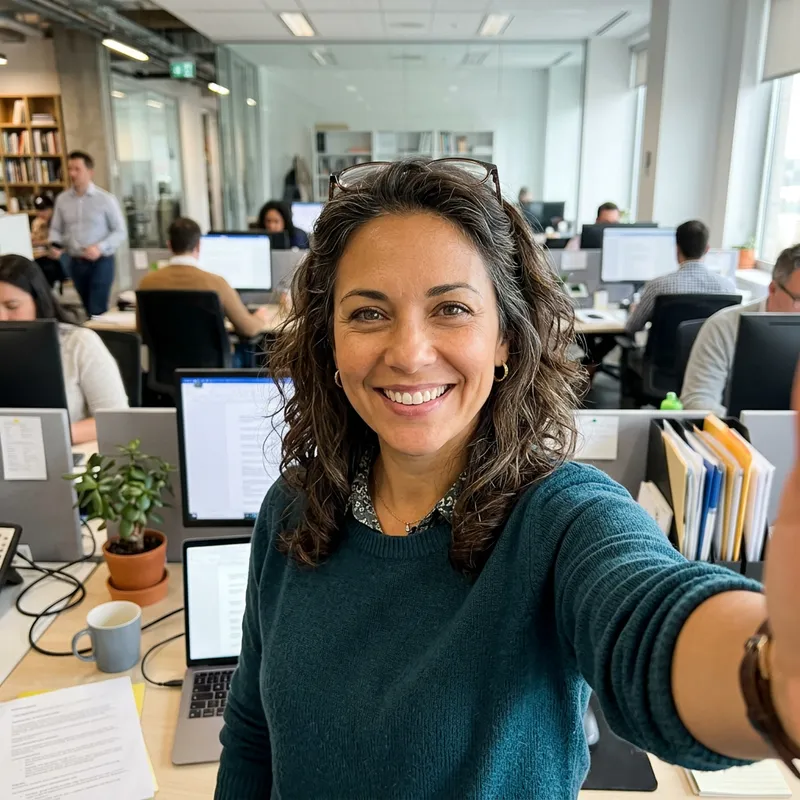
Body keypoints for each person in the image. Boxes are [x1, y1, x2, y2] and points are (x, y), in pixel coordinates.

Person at [215, 160, 800, 798]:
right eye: (368, 314)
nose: (409, 352)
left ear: (505, 339)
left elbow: (646, 621)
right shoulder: (292, 510)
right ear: (330, 340)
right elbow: (251, 731)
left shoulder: (563, 518)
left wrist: (773, 675)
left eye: (452, 309)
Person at [0, 254, 128, 444]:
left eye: (12, 306)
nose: (2, 317)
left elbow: (116, 419)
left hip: (66, 455)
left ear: (38, 301)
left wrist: (45, 437)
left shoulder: (78, 344)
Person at [682, 243, 800, 414]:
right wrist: (744, 426)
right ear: (773, 289)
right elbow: (697, 401)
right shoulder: (724, 326)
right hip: (736, 436)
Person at [137, 217, 272, 339]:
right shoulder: (216, 283)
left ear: (169, 245)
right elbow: (247, 329)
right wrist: (259, 318)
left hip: (163, 365)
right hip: (210, 366)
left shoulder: (147, 283)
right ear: (199, 246)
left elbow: (141, 329)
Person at [624, 219, 737, 335]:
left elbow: (632, 327)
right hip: (707, 353)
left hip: (664, 353)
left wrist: (634, 311)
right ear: (707, 249)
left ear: (677, 248)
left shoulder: (657, 286)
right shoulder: (728, 288)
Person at [49, 150, 127, 317]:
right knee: (86, 305)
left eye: (77, 169)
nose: (72, 173)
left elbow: (120, 231)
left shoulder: (106, 199)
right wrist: (55, 244)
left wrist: (100, 247)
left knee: (96, 307)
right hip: (74, 261)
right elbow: (56, 228)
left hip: (101, 261)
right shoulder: (62, 200)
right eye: (69, 169)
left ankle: (101, 340)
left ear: (90, 172)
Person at [30, 194, 66, 290]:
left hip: (62, 258)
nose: (41, 214)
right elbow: (34, 239)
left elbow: (62, 241)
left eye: (45, 210)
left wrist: (42, 242)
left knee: (45, 269)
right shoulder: (38, 222)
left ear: (52, 209)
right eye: (39, 210)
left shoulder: (60, 222)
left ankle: (47, 296)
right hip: (45, 256)